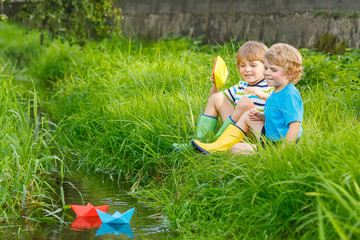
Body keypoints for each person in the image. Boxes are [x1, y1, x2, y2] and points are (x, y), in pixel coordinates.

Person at [192, 43, 303, 155]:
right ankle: (214, 144)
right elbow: (277, 117)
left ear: (290, 74)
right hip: (269, 135)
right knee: (247, 115)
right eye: (266, 68)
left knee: (236, 148)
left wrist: (281, 152)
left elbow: (295, 126)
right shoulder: (277, 89)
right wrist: (261, 117)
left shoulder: (289, 95)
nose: (267, 73)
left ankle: (219, 146)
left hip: (277, 145)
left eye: (273, 70)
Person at [173, 41, 273, 150]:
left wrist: (263, 95)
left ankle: (217, 141)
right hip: (235, 128)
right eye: (242, 65)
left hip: (254, 131)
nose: (247, 69)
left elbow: (278, 106)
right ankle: (199, 141)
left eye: (253, 65)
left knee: (245, 102)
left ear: (265, 66)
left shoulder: (270, 86)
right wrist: (215, 84)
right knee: (217, 97)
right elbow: (213, 99)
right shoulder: (240, 86)